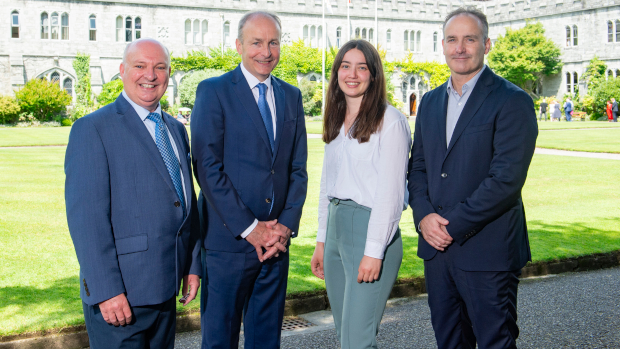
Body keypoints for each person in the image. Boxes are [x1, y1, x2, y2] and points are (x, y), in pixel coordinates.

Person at [407, 7, 538, 349]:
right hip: (437, 253)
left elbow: (505, 181)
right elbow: (417, 166)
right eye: (453, 39)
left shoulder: (512, 101)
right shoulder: (431, 101)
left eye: (470, 39)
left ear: (487, 44)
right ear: (443, 45)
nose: (460, 48)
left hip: (487, 252)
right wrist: (423, 217)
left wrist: (450, 226)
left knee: (495, 341)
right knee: (449, 342)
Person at [65, 38, 201, 349]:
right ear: (123, 70)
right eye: (140, 66)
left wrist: (192, 266)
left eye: (160, 67)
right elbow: (87, 221)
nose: (150, 75)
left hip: (166, 291)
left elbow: (185, 203)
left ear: (169, 73)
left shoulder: (176, 129)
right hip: (120, 297)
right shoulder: (93, 129)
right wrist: (106, 291)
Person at [191, 11, 308, 349]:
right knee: (219, 341)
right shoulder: (213, 92)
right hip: (229, 244)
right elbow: (207, 167)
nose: (266, 51)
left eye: (273, 42)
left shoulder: (291, 95)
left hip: (276, 244)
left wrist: (284, 226)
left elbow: (296, 168)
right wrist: (251, 228)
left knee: (266, 340)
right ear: (240, 45)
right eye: (257, 42)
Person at [310, 40, 411, 349]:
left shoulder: (390, 121)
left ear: (373, 75)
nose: (352, 74)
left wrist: (374, 250)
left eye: (361, 67)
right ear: (336, 72)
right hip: (338, 228)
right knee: (345, 335)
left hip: (370, 230)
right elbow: (328, 184)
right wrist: (321, 241)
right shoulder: (336, 118)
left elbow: (391, 194)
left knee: (357, 340)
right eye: (345, 66)